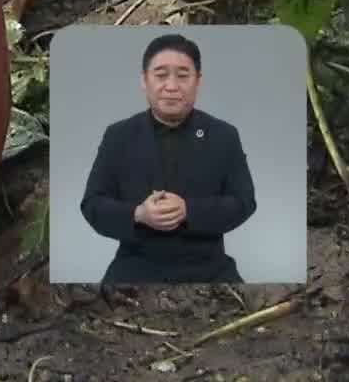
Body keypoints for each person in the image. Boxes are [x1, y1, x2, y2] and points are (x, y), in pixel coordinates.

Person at [79, 33, 258, 283]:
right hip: (134, 268)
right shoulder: (118, 136)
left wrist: (188, 210)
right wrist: (139, 214)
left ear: (198, 82)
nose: (171, 86)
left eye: (183, 76)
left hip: (209, 269)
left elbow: (244, 202)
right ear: (144, 80)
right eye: (161, 75)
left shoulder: (223, 135)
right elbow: (92, 204)